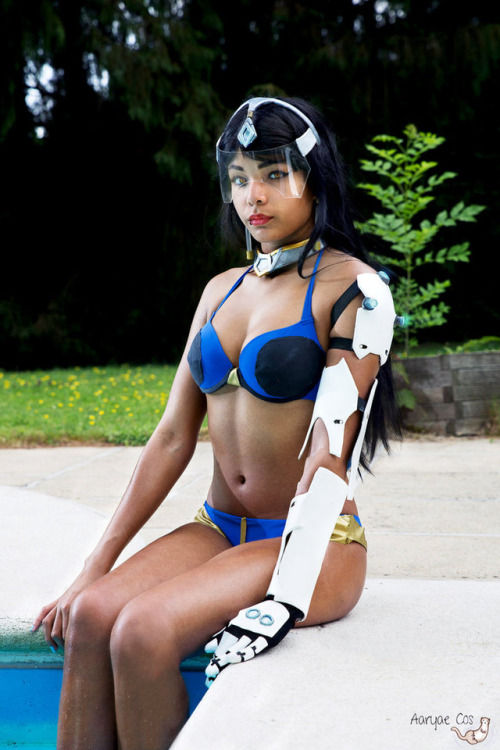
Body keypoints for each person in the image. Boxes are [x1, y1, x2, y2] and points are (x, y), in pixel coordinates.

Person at [33, 96, 400, 750]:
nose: (253, 195)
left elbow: (327, 455)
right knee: (91, 615)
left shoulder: (358, 291)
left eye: (273, 173)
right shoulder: (220, 290)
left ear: (314, 177)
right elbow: (173, 435)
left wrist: (287, 594)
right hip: (218, 527)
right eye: (238, 178)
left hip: (314, 542)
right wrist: (96, 565)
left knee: (143, 630)